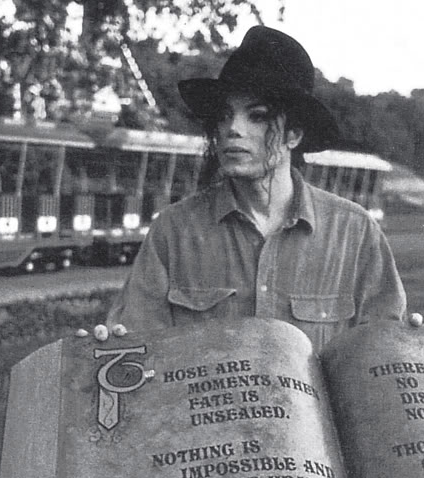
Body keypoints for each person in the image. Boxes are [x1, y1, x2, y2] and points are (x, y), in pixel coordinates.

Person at [96, 25, 415, 352]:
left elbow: (382, 365)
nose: (233, 129)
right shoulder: (173, 231)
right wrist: (103, 352)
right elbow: (135, 351)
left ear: (294, 135)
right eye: (224, 116)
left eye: (258, 116)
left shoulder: (355, 233)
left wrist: (409, 347)